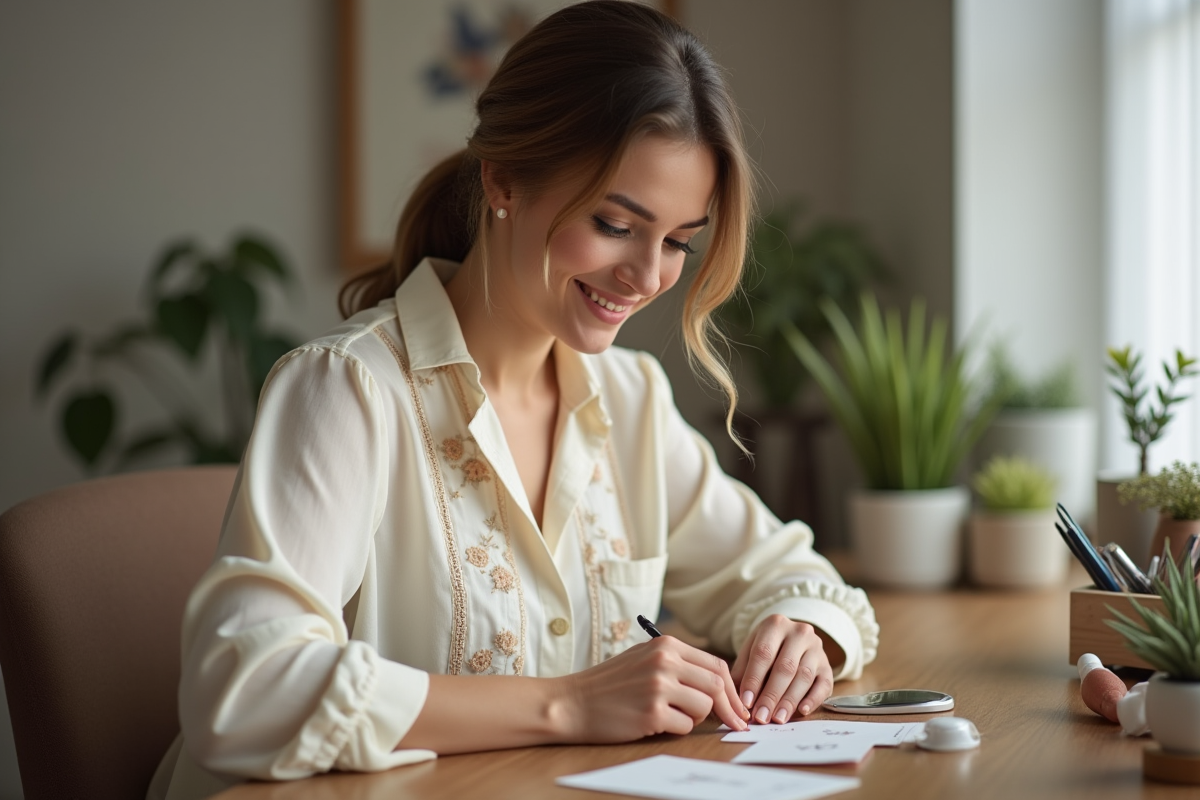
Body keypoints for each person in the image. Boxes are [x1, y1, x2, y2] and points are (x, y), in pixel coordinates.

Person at [149, 2, 878, 798]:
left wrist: (804, 635)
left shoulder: (629, 399)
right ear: (502, 178)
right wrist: (565, 704)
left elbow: (790, 572)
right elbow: (242, 689)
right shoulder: (347, 389)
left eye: (676, 242)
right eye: (613, 223)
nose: (647, 277)